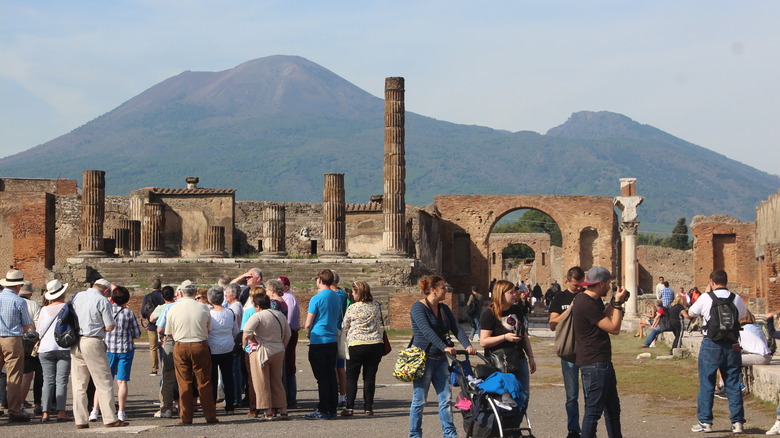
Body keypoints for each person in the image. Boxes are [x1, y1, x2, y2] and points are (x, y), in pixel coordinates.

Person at [409, 275, 476, 438]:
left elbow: (456, 328)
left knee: (446, 399)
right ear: (432, 290)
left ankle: (450, 434)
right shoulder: (418, 308)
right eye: (443, 287)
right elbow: (426, 331)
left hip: (440, 360)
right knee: (419, 401)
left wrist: (467, 345)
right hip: (423, 359)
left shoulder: (443, 309)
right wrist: (444, 346)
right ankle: (415, 434)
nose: (446, 290)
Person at [688, 269, 747, 434]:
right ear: (726, 281)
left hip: (711, 344)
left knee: (707, 383)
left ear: (712, 282)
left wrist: (706, 294)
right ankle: (737, 423)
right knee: (733, 384)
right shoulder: (736, 298)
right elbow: (741, 315)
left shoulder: (706, 297)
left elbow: (692, 313)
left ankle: (705, 422)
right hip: (732, 344)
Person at [572, 266, 627, 438]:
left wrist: (612, 305)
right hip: (594, 363)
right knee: (594, 412)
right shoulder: (586, 303)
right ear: (602, 284)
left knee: (612, 410)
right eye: (609, 283)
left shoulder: (589, 300)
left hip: (601, 362)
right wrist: (617, 304)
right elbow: (614, 328)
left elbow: (600, 317)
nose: (610, 287)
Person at [70, 278, 128, 429]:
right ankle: (109, 418)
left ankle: (80, 420)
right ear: (105, 291)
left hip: (76, 341)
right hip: (92, 340)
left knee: (79, 384)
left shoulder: (77, 296)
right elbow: (109, 326)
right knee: (104, 381)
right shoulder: (102, 301)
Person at [479, 280, 535, 421]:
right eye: (511, 292)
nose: (515, 294)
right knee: (505, 396)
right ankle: (505, 427)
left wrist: (531, 357)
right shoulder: (489, 314)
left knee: (523, 394)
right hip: (499, 361)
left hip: (519, 358)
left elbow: (524, 335)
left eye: (514, 291)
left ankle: (515, 426)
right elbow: (483, 341)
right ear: (501, 294)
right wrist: (504, 337)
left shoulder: (516, 310)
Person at [164, 282, 219, 425]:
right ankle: (210, 415)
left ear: (181, 293)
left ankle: (186, 417)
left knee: (184, 383)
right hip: (199, 344)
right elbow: (208, 329)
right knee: (204, 382)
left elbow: (169, 332)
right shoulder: (204, 308)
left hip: (181, 344)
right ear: (195, 293)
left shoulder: (173, 309)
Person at [91, 285, 140, 423]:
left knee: (103, 381)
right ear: (126, 299)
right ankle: (121, 411)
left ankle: (95, 410)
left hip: (108, 349)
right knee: (122, 381)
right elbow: (137, 333)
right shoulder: (128, 313)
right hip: (125, 349)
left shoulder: (107, 310)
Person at [548, 266, 586, 438]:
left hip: (587, 352)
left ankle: (588, 428)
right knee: (572, 395)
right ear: (567, 281)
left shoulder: (589, 295)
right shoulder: (560, 297)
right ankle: (573, 429)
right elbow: (552, 324)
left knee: (590, 395)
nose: (579, 288)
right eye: (575, 285)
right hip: (569, 352)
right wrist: (570, 309)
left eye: (581, 285)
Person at [243, 291, 291, 421]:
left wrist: (253, 339)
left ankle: (267, 411)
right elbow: (288, 334)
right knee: (277, 381)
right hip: (278, 349)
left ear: (257, 305)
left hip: (262, 350)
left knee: (261, 381)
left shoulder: (257, 316)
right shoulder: (279, 315)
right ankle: (283, 410)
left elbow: (247, 331)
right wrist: (283, 346)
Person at [304, 269, 343, 420]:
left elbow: (308, 322)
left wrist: (308, 333)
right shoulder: (337, 297)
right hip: (332, 339)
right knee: (331, 375)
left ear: (320, 280)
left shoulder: (317, 298)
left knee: (322, 378)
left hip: (319, 339)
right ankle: (332, 408)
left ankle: (323, 409)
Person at [341, 281, 384, 417]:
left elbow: (345, 325)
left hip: (356, 344)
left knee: (352, 377)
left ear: (357, 293)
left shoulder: (352, 308)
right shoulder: (376, 306)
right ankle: (368, 408)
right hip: (375, 343)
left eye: (353, 292)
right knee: (370, 377)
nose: (352, 295)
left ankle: (350, 407)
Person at [0, 269, 33, 422]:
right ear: (18, 286)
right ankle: (14, 410)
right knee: (14, 375)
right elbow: (27, 325)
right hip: (12, 338)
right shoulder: (19, 301)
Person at [37, 280, 72, 422]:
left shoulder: (43, 310)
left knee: (48, 381)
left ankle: (45, 412)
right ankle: (60, 411)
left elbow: (39, 331)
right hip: (63, 346)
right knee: (61, 381)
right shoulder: (67, 307)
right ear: (62, 293)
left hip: (45, 348)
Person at [207, 286, 239, 415]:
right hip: (227, 347)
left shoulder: (209, 314)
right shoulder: (230, 312)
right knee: (228, 377)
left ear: (210, 300)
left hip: (213, 347)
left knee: (212, 378)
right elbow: (236, 331)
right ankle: (230, 405)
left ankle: (212, 403)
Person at [151, 284, 177, 418]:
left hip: (171, 341)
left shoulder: (168, 308)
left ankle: (166, 407)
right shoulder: (199, 307)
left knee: (168, 376)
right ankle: (189, 405)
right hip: (190, 341)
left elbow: (159, 329)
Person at [19, 281, 43, 416]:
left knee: (18, 373)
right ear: (29, 293)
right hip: (30, 341)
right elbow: (38, 325)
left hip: (15, 339)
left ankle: (15, 402)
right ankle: (36, 403)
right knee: (34, 373)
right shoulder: (33, 304)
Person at [279, 276, 300, 409]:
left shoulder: (289, 299)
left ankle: (291, 398)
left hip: (289, 334)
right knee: (285, 365)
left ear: (286, 287)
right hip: (287, 333)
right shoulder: (285, 298)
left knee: (288, 365)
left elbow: (289, 319)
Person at [223, 283, 244, 410]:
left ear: (234, 295)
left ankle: (235, 398)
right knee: (235, 370)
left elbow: (235, 324)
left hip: (234, 339)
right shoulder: (235, 306)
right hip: (236, 338)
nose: (225, 295)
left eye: (228, 293)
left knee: (234, 371)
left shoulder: (235, 307)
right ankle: (236, 398)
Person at [140, 279, 164, 377]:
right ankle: (165, 367)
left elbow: (143, 312)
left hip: (152, 325)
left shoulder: (148, 296)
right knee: (164, 347)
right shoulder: (164, 295)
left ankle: (154, 369)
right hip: (163, 325)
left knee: (153, 348)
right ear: (160, 286)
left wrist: (148, 318)